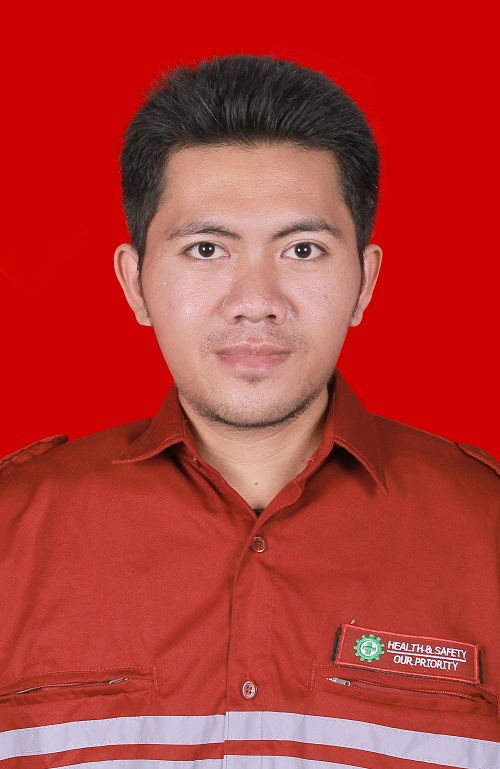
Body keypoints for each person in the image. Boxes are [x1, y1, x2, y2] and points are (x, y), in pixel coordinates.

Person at [0, 55, 498, 768]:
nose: (256, 300)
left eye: (302, 249)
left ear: (364, 282)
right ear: (136, 283)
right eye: (207, 248)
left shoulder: (486, 533)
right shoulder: (12, 534)